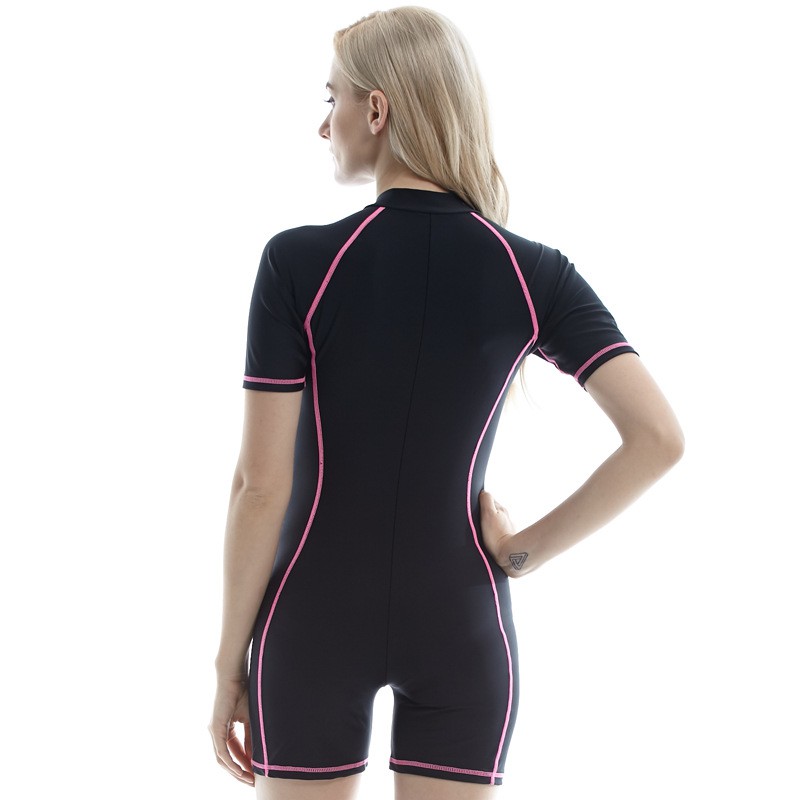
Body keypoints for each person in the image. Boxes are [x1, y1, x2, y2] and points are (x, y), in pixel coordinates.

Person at [208, 6, 685, 799]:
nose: (323, 125)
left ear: (377, 109)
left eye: (331, 98)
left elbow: (261, 487)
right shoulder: (533, 272)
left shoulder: (299, 263)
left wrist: (231, 662)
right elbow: (659, 438)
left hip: (311, 618)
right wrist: (520, 552)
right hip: (463, 621)